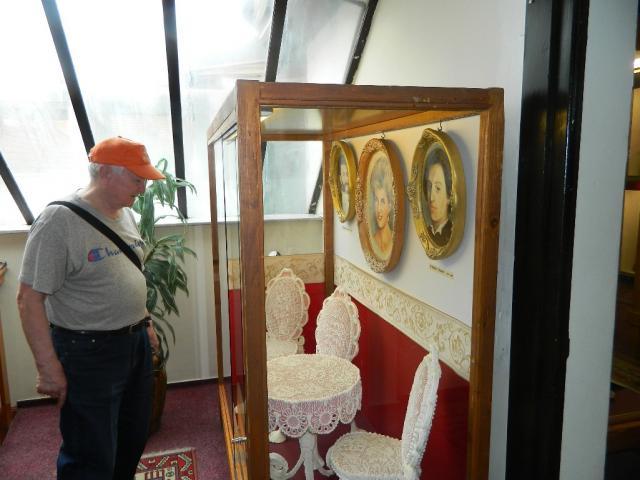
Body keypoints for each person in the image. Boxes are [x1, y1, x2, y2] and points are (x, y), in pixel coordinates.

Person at [16, 136, 163, 479]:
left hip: (135, 343)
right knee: (90, 452)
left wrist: (147, 324)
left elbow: (131, 274)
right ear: (106, 174)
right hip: (89, 352)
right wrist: (47, 368)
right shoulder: (58, 221)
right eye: (137, 179)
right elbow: (28, 299)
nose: (143, 189)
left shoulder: (126, 214)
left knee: (132, 436)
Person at [424, 148, 453, 246]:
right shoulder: (425, 232)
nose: (431, 198)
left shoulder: (452, 234)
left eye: (438, 188)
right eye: (429, 186)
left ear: (449, 196)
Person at [369, 157, 394, 257]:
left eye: (383, 201)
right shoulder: (373, 240)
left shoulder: (394, 241)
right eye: (376, 200)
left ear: (390, 206)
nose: (378, 208)